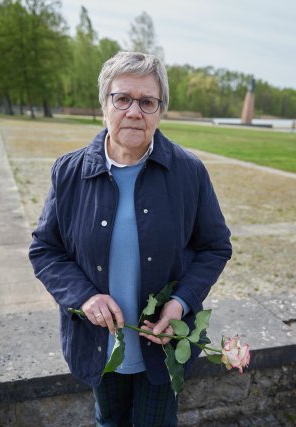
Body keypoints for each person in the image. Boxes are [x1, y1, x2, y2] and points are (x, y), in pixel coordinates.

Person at [29, 51, 232, 426]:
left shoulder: (190, 173)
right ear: (104, 104)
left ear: (160, 110)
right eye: (122, 98)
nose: (134, 111)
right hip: (98, 346)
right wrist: (84, 297)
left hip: (164, 347)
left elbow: (215, 247)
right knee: (109, 422)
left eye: (147, 101)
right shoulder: (69, 172)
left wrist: (181, 302)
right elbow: (45, 250)